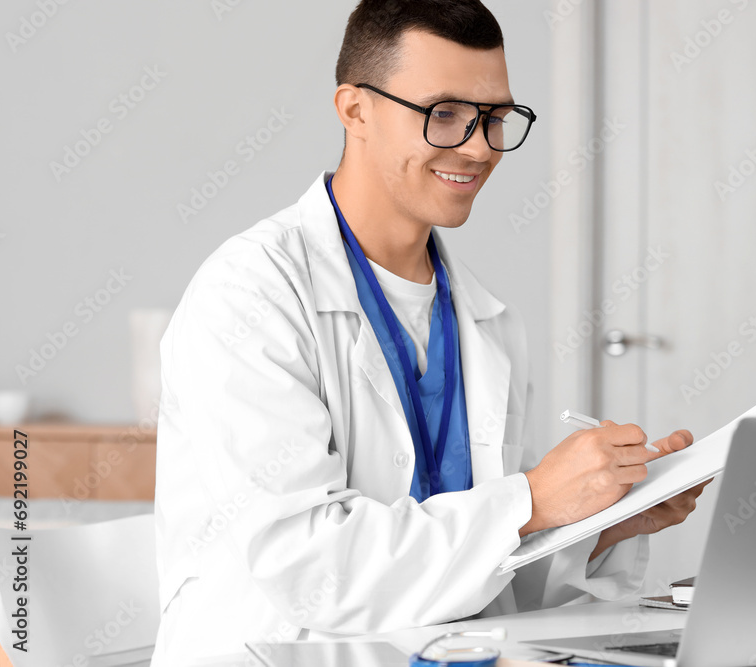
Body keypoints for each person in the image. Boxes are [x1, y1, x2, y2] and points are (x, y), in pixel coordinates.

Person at [151, 0, 708, 662]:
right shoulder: (250, 294)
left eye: (494, 118)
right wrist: (532, 499)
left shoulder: (486, 320)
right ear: (355, 110)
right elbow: (312, 569)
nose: (477, 147)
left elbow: (482, 581)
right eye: (444, 114)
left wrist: (596, 523)